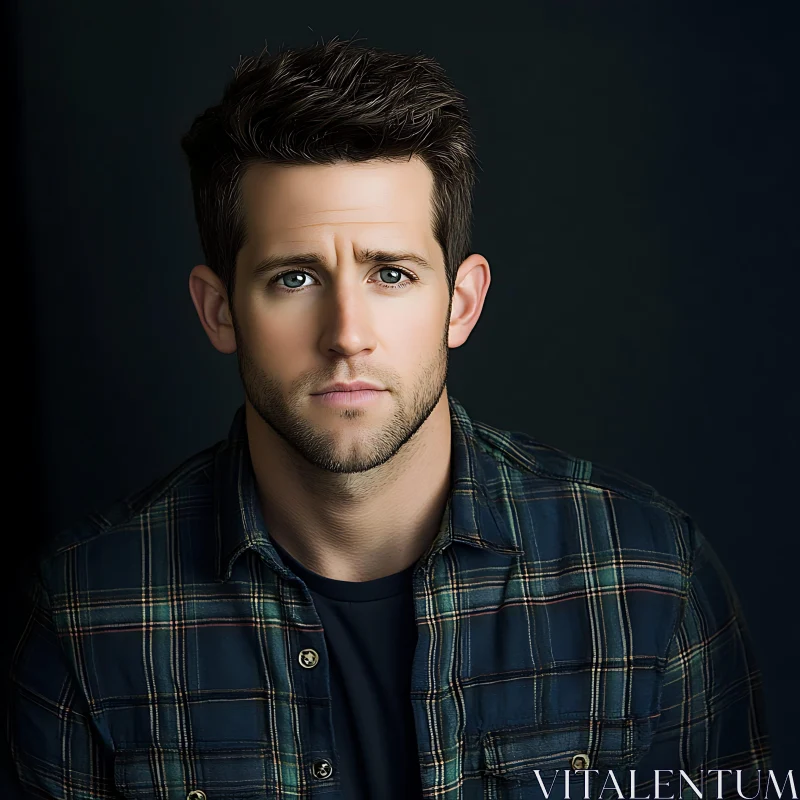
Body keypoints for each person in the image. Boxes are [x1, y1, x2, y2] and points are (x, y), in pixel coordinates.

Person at [8, 38, 771, 800]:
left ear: (461, 302)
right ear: (219, 310)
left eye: (391, 274)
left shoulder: (651, 581)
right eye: (295, 276)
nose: (346, 331)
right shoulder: (88, 614)